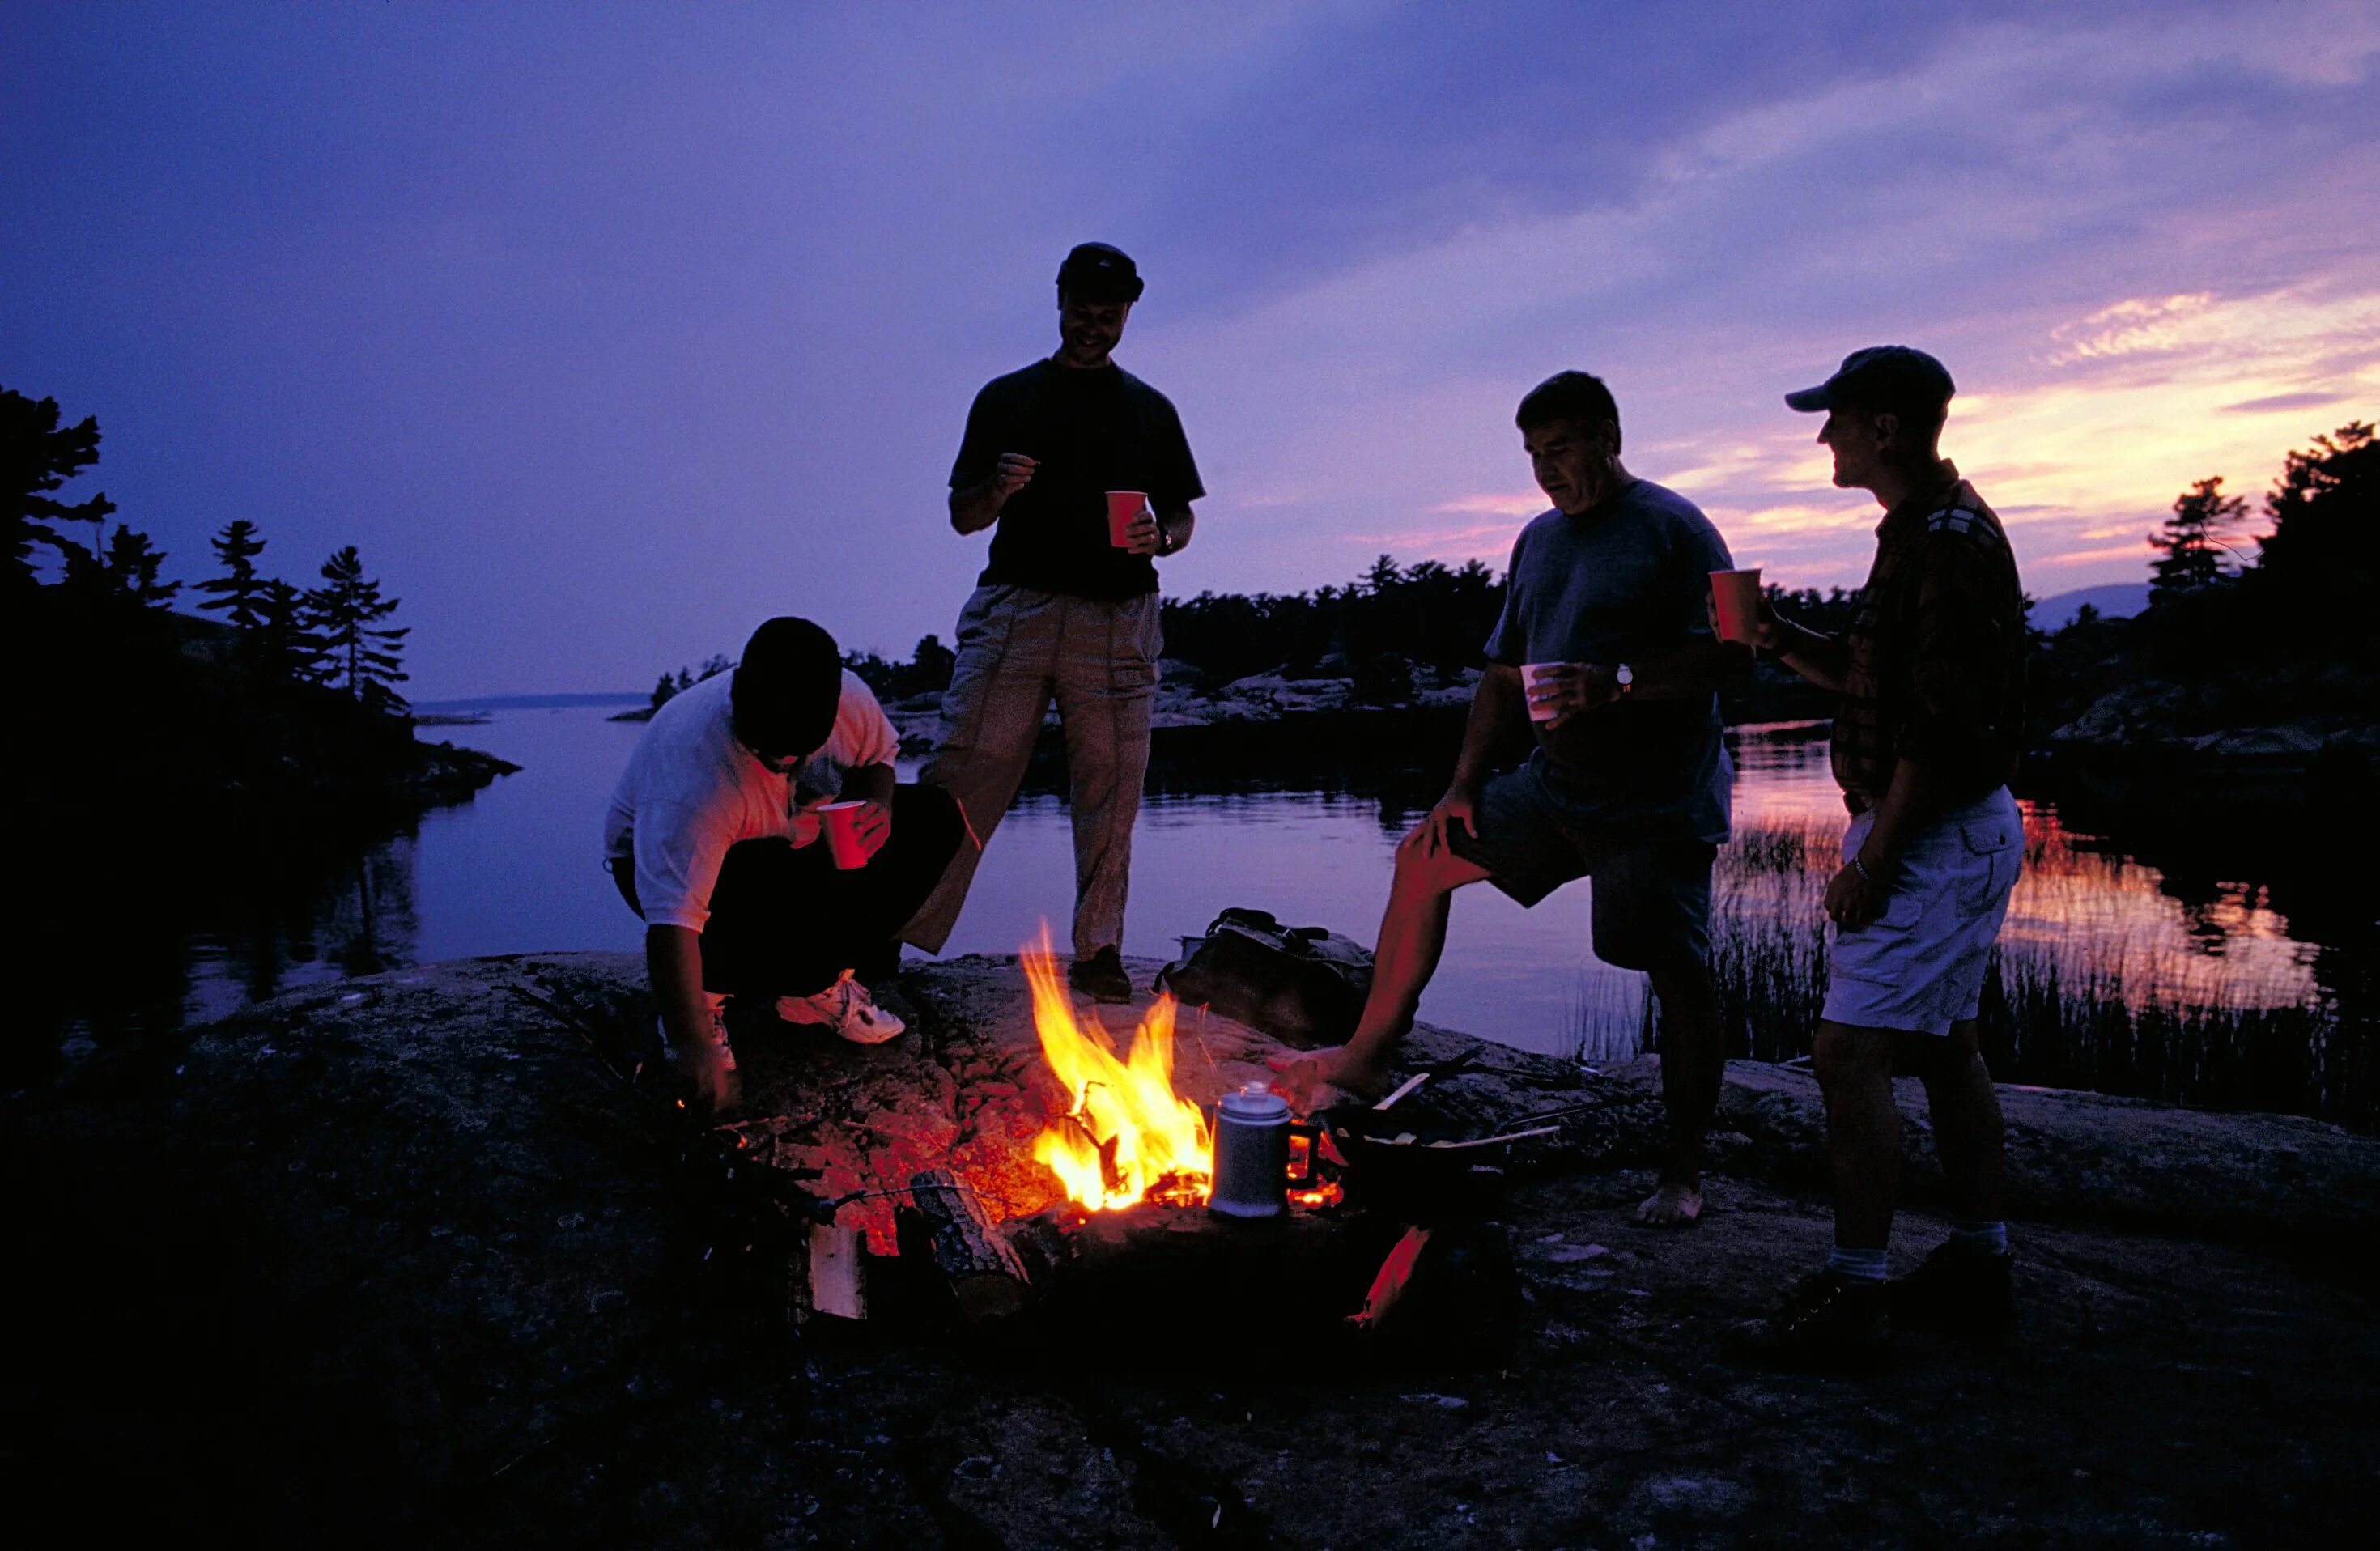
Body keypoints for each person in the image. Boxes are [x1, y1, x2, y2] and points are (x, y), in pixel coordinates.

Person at [1272, 371, 1750, 1227]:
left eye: (1559, 448)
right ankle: (1368, 1059)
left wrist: (1620, 682)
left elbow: (1736, 653)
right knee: (1423, 861)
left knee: (1671, 967)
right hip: (1554, 788)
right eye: (1532, 454)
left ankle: (1684, 1172)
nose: (1546, 470)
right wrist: (1461, 784)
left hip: (1655, 802)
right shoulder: (1537, 541)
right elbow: (1501, 673)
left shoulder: (1678, 528)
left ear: (1609, 433)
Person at [1725, 346, 2028, 1369]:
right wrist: (1777, 637)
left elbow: (1938, 733)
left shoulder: (1944, 544)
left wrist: (1875, 860)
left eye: (1839, 418)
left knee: (1848, 1052)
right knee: (1945, 1045)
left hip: (1932, 837)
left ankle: (1859, 1298)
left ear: (1886, 427)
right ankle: (1980, 1266)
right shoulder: (1923, 532)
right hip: (1957, 829)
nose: (1825, 436)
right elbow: (1883, 690)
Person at [901, 241, 1205, 1004]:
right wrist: (997, 490)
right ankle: (891, 930)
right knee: (966, 769)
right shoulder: (1007, 398)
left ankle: (1099, 950)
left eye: (1109, 315)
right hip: (1017, 612)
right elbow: (962, 517)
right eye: (1080, 310)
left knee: (1112, 787)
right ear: (1059, 301)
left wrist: (1160, 537)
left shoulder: (1151, 409)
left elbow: (1182, 516)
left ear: (1129, 313)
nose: (1092, 326)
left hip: (1118, 618)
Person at [604, 616, 966, 1109]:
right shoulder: (695, 782)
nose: (782, 765)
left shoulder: (848, 699)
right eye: (767, 752)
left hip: (789, 841)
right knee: (748, 887)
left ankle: (809, 988)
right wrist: (693, 1051)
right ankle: (707, 996)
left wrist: (875, 808)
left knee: (933, 817)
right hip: (684, 872)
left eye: (797, 754)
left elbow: (878, 756)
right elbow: (672, 927)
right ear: (737, 697)